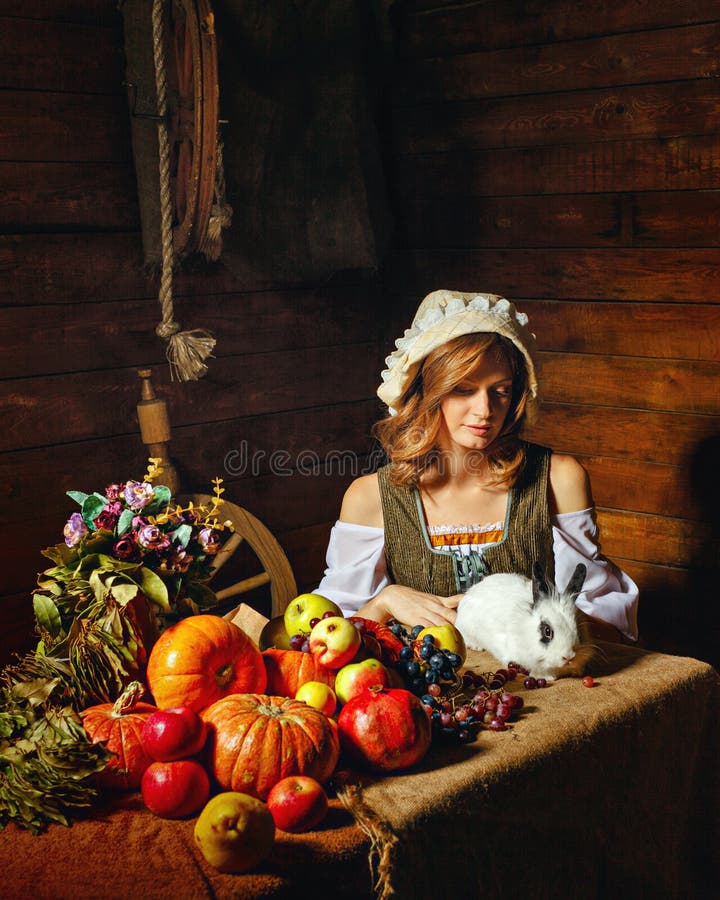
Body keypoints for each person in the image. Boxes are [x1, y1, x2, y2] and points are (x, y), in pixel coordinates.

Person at [315, 290, 639, 643]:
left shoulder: (558, 479)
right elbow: (328, 639)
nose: (485, 410)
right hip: (427, 678)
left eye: (500, 390)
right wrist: (383, 602)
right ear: (428, 392)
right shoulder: (371, 498)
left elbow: (613, 634)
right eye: (463, 389)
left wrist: (523, 603)